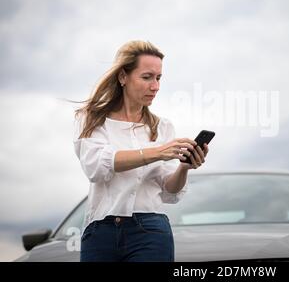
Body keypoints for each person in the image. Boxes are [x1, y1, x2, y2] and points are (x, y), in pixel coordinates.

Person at [73, 40, 209, 262]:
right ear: (123, 77)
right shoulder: (91, 119)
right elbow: (96, 166)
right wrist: (158, 152)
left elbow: (170, 190)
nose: (155, 86)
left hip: (151, 232)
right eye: (147, 77)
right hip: (100, 233)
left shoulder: (162, 127)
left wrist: (183, 167)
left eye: (158, 78)